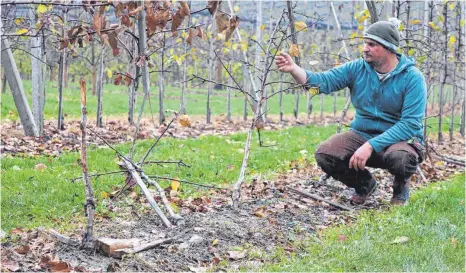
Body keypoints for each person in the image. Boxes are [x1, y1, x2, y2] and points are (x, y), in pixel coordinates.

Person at [275, 21, 427, 206]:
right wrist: (294, 69)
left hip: (399, 141)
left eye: (372, 44)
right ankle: (365, 185)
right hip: (363, 134)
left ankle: (400, 188)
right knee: (326, 154)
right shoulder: (357, 68)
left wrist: (371, 146)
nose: (365, 49)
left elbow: (410, 124)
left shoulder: (412, 77)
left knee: (402, 159)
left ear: (389, 48)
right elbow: (323, 82)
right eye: (365, 43)